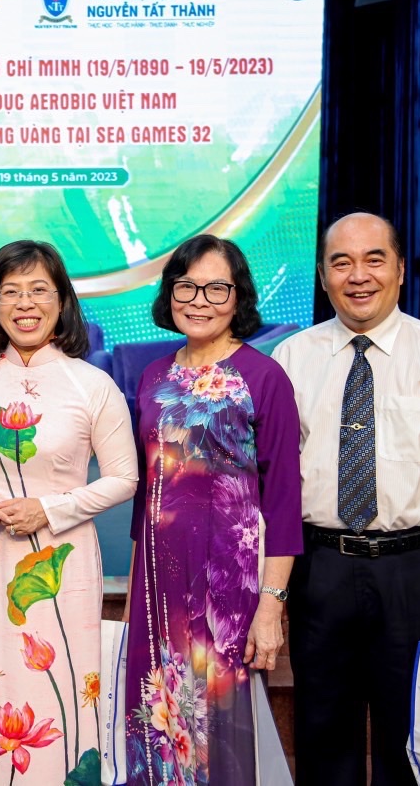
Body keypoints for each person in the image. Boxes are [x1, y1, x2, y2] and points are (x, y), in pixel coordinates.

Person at [271, 212, 420, 786]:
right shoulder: (291, 359)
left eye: (374, 259)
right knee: (322, 737)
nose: (359, 275)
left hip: (415, 573)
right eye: (341, 262)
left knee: (415, 742)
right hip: (319, 569)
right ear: (323, 276)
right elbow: (274, 486)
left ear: (400, 269)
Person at [0, 239, 137, 783]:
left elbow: (125, 478)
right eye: (10, 292)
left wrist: (49, 511)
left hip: (64, 560)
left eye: (38, 290)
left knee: (66, 691)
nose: (25, 304)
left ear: (61, 301)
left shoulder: (91, 384)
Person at [122, 234, 302, 784]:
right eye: (187, 286)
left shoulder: (263, 377)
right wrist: (134, 593)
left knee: (220, 724)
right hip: (158, 580)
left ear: (238, 296)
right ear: (169, 293)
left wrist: (271, 606)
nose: (199, 300)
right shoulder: (153, 376)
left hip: (228, 583)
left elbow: (284, 501)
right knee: (156, 717)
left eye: (216, 288)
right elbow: (146, 494)